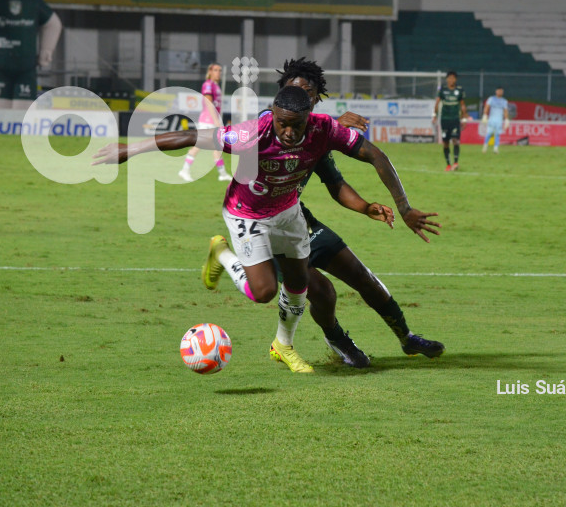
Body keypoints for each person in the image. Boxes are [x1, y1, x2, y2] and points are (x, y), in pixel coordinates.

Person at [93, 85, 440, 374]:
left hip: (289, 213)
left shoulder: (324, 130)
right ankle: (223, 254)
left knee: (301, 283)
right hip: (247, 215)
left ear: (309, 118)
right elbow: (188, 136)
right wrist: (131, 149)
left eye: (296, 125)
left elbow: (376, 155)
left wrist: (404, 207)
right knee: (263, 292)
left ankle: (284, 345)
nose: (289, 132)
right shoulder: (250, 134)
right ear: (272, 115)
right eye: (283, 124)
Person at [206, 57, 446, 369]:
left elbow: (336, 184)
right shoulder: (273, 123)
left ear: (316, 99)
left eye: (309, 94)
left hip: (299, 220)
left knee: (362, 276)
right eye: (296, 91)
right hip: (264, 225)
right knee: (322, 291)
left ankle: (407, 337)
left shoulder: (316, 135)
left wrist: (365, 207)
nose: (302, 98)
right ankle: (338, 341)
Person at [178, 63, 230, 182]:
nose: (219, 72)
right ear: (210, 72)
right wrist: (216, 120)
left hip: (213, 120)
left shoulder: (216, 85)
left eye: (220, 70)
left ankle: (222, 173)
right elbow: (208, 103)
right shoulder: (208, 84)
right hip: (207, 120)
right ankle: (184, 170)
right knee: (199, 145)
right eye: (216, 70)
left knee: (217, 147)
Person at [433, 71, 468, 171]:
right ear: (447, 79)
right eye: (450, 78)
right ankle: (448, 164)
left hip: (455, 119)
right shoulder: (443, 90)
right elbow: (437, 102)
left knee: (455, 140)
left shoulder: (459, 90)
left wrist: (464, 119)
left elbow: (463, 105)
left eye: (453, 78)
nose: (451, 80)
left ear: (455, 80)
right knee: (445, 142)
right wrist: (434, 115)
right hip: (444, 120)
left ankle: (456, 163)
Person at [482, 86, 510, 154]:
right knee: (489, 133)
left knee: (497, 134)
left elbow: (505, 111)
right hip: (492, 119)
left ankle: (495, 148)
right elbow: (487, 107)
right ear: (496, 91)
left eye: (501, 91)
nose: (500, 92)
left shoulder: (504, 101)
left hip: (499, 120)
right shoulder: (491, 99)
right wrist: (485, 115)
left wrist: (506, 120)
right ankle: (485, 147)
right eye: (499, 91)